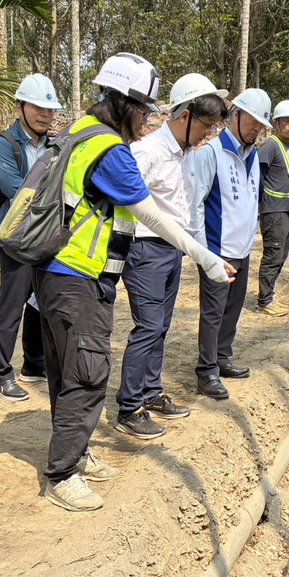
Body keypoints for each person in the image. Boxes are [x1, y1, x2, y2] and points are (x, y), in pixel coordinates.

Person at [32, 53, 234, 513]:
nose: (148, 120)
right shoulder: (109, 150)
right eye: (144, 110)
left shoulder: (80, 131)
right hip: (76, 272)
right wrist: (206, 259)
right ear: (123, 103)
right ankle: (63, 472)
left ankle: (76, 452)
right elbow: (150, 214)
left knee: (69, 369)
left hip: (60, 270)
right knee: (87, 372)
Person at [113, 73, 228, 440]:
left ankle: (150, 392)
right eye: (206, 126)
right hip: (145, 250)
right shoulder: (146, 151)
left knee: (161, 326)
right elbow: (125, 200)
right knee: (147, 327)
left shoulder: (184, 155)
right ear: (184, 116)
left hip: (171, 251)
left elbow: (183, 209)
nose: (208, 135)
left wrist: (198, 250)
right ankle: (129, 408)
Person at [189, 88, 272, 401]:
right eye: (252, 120)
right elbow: (197, 202)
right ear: (235, 114)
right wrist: (201, 250)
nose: (256, 128)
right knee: (213, 311)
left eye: (261, 124)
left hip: (242, 248)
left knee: (232, 307)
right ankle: (206, 370)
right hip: (216, 248)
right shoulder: (212, 152)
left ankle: (222, 357)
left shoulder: (252, 155)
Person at [0, 74, 61, 401]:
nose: (45, 114)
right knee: (12, 307)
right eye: (38, 107)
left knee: (40, 305)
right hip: (15, 240)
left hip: (43, 239)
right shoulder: (4, 145)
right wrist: (53, 198)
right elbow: (15, 190)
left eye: (50, 108)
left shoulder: (54, 147)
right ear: (20, 108)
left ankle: (34, 365)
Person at [256, 99, 289, 317]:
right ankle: (265, 301)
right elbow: (257, 178)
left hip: (287, 208)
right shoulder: (271, 145)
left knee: (281, 256)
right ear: (277, 123)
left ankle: (270, 295)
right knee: (273, 255)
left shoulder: (288, 146)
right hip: (274, 211)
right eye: (287, 122)